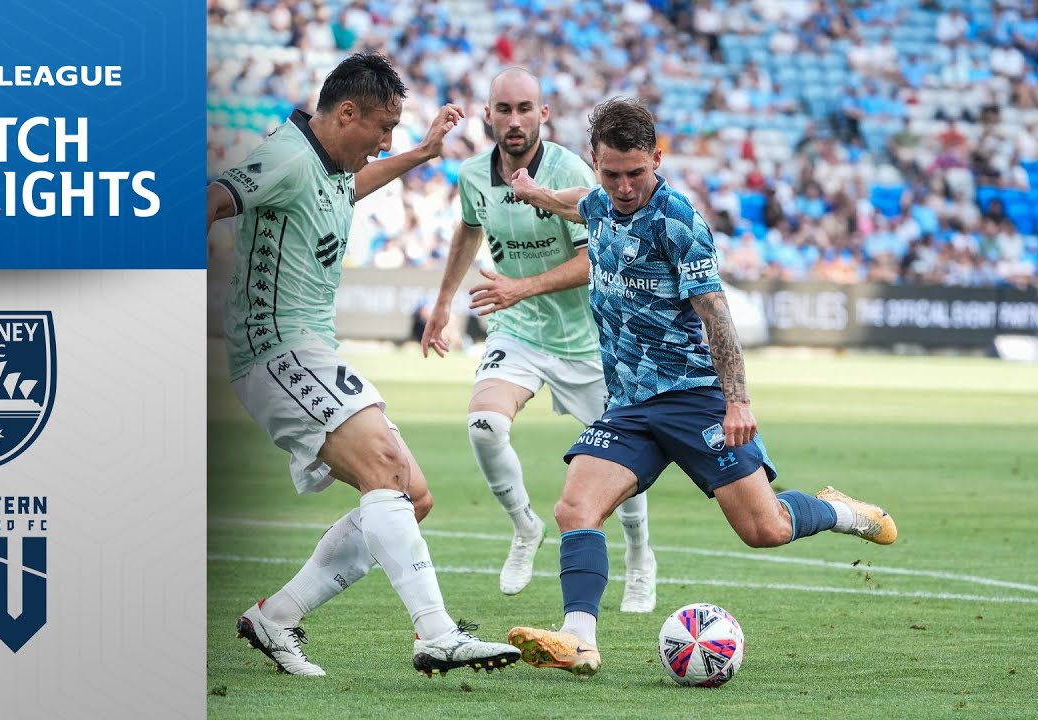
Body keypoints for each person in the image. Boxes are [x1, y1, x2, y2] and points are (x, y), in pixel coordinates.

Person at [503, 98, 898, 677]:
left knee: (765, 529)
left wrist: (737, 401)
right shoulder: (600, 201)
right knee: (574, 508)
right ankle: (578, 640)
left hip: (695, 398)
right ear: (596, 161)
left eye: (636, 173)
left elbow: (717, 315)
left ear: (657, 159)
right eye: (612, 174)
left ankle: (840, 512)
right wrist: (536, 194)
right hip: (629, 405)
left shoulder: (678, 221)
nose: (624, 187)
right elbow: (578, 204)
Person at [207, 52, 520, 678]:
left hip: (311, 351)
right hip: (276, 349)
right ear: (347, 112)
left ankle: (275, 617)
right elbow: (212, 199)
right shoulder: (286, 156)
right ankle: (436, 633)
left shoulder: (324, 165)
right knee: (385, 469)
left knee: (412, 496)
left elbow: (346, 189)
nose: (385, 142)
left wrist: (423, 154)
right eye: (384, 128)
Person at [420, 68, 657, 612]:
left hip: (588, 341)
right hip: (519, 330)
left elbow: (593, 261)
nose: (515, 120)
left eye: (525, 108)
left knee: (621, 462)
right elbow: (469, 228)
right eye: (504, 109)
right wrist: (443, 302)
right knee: (484, 425)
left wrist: (519, 287)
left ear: (543, 114)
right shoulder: (473, 174)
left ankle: (640, 556)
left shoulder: (570, 171)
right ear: (488, 115)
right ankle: (525, 526)